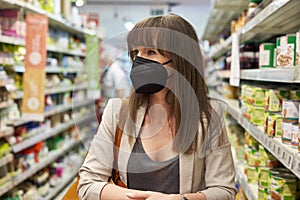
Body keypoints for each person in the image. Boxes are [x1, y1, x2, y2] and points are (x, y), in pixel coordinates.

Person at [78, 14, 236, 200]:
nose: (139, 61)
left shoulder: (208, 116)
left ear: (181, 59)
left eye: (150, 52)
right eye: (136, 53)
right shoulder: (117, 112)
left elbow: (224, 191)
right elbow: (88, 183)